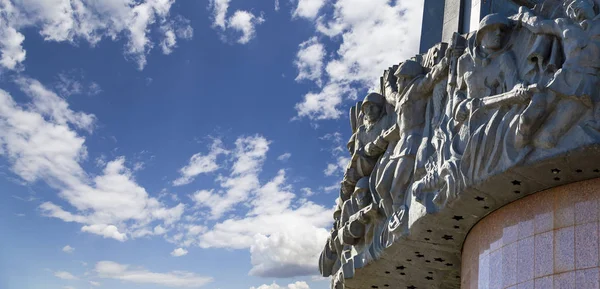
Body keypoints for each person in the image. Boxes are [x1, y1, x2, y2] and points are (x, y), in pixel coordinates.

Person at [366, 57, 449, 218]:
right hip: (400, 145)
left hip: (413, 141)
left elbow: (433, 76)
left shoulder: (416, 88)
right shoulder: (399, 98)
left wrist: (446, 59)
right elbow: (390, 95)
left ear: (406, 78)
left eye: (399, 79)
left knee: (396, 189)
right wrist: (388, 81)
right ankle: (393, 221)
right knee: (381, 187)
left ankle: (401, 222)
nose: (397, 82)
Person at [513, 1, 599, 148]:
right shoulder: (565, 25)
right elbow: (539, 25)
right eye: (570, 8)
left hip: (584, 87)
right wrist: (524, 17)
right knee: (526, 120)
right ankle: (515, 151)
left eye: (578, 3)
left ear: (591, 4)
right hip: (560, 79)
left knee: (547, 138)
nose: (574, 9)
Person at [340, 92, 394, 201]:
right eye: (366, 108)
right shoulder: (361, 130)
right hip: (364, 162)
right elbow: (358, 151)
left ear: (380, 108)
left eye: (373, 107)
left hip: (379, 158)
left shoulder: (385, 120)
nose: (369, 111)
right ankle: (348, 189)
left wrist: (371, 147)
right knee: (347, 179)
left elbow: (385, 138)